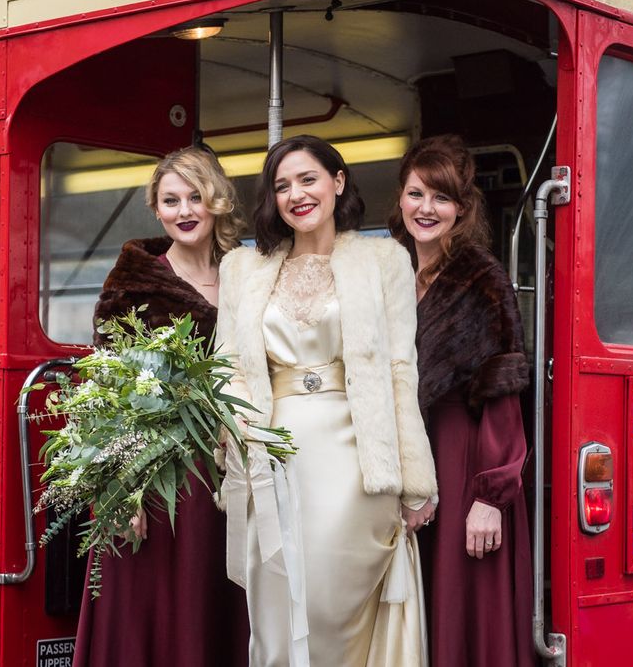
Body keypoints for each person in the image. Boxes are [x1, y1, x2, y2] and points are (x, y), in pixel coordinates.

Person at [216, 135, 438, 667]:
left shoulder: (385, 260)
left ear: (338, 182)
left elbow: (399, 371)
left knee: (327, 613)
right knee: (275, 616)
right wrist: (247, 441)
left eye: (308, 179)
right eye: (282, 185)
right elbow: (227, 370)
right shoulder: (242, 270)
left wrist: (416, 481)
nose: (296, 194)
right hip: (270, 461)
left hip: (356, 464)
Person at [73, 147, 249, 667]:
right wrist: (119, 493)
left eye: (196, 196)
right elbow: (105, 395)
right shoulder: (131, 285)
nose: (185, 209)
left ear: (217, 200)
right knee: (158, 610)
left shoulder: (248, 276)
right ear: (155, 208)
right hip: (156, 476)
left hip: (232, 470)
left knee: (221, 606)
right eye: (171, 200)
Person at [389, 134, 535, 667]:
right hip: (408, 454)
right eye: (417, 193)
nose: (427, 209)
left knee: (465, 605)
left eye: (441, 198)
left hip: (466, 456)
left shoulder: (481, 277)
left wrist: (490, 497)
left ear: (461, 209)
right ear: (400, 199)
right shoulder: (392, 271)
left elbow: (503, 392)